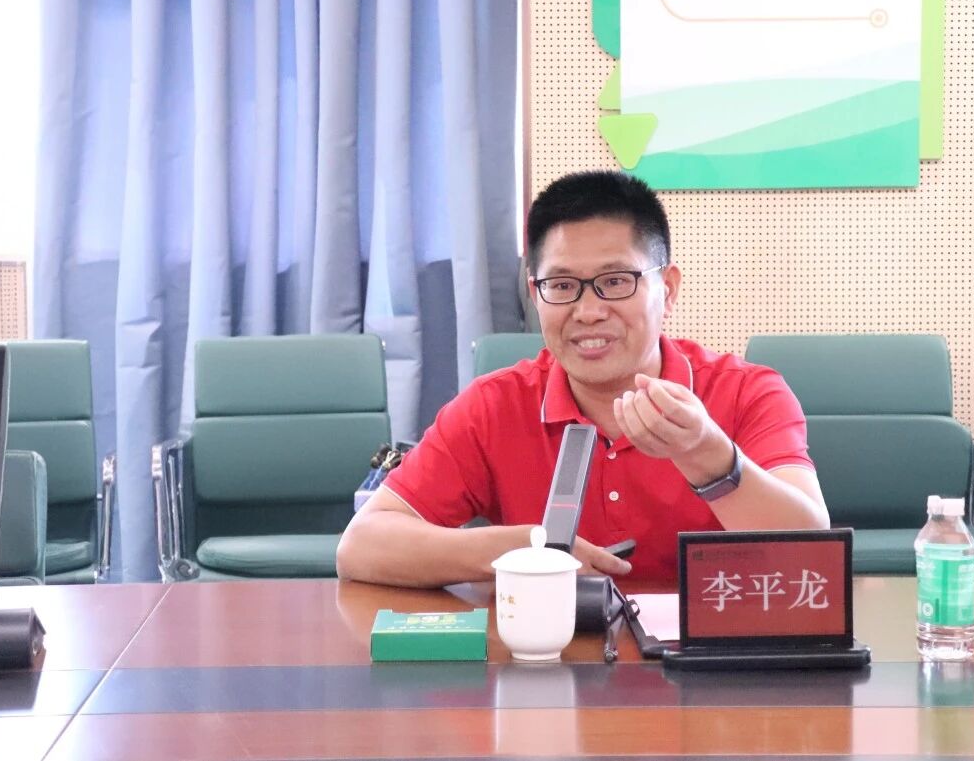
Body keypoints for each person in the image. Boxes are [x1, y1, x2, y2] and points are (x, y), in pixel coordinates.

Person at [337, 170, 829, 586]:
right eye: (562, 285)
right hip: (551, 655)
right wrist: (523, 548)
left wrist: (705, 453)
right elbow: (361, 546)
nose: (588, 311)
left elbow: (812, 554)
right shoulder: (494, 405)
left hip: (710, 659)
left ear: (668, 289)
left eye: (615, 281)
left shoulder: (747, 393)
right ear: (535, 294)